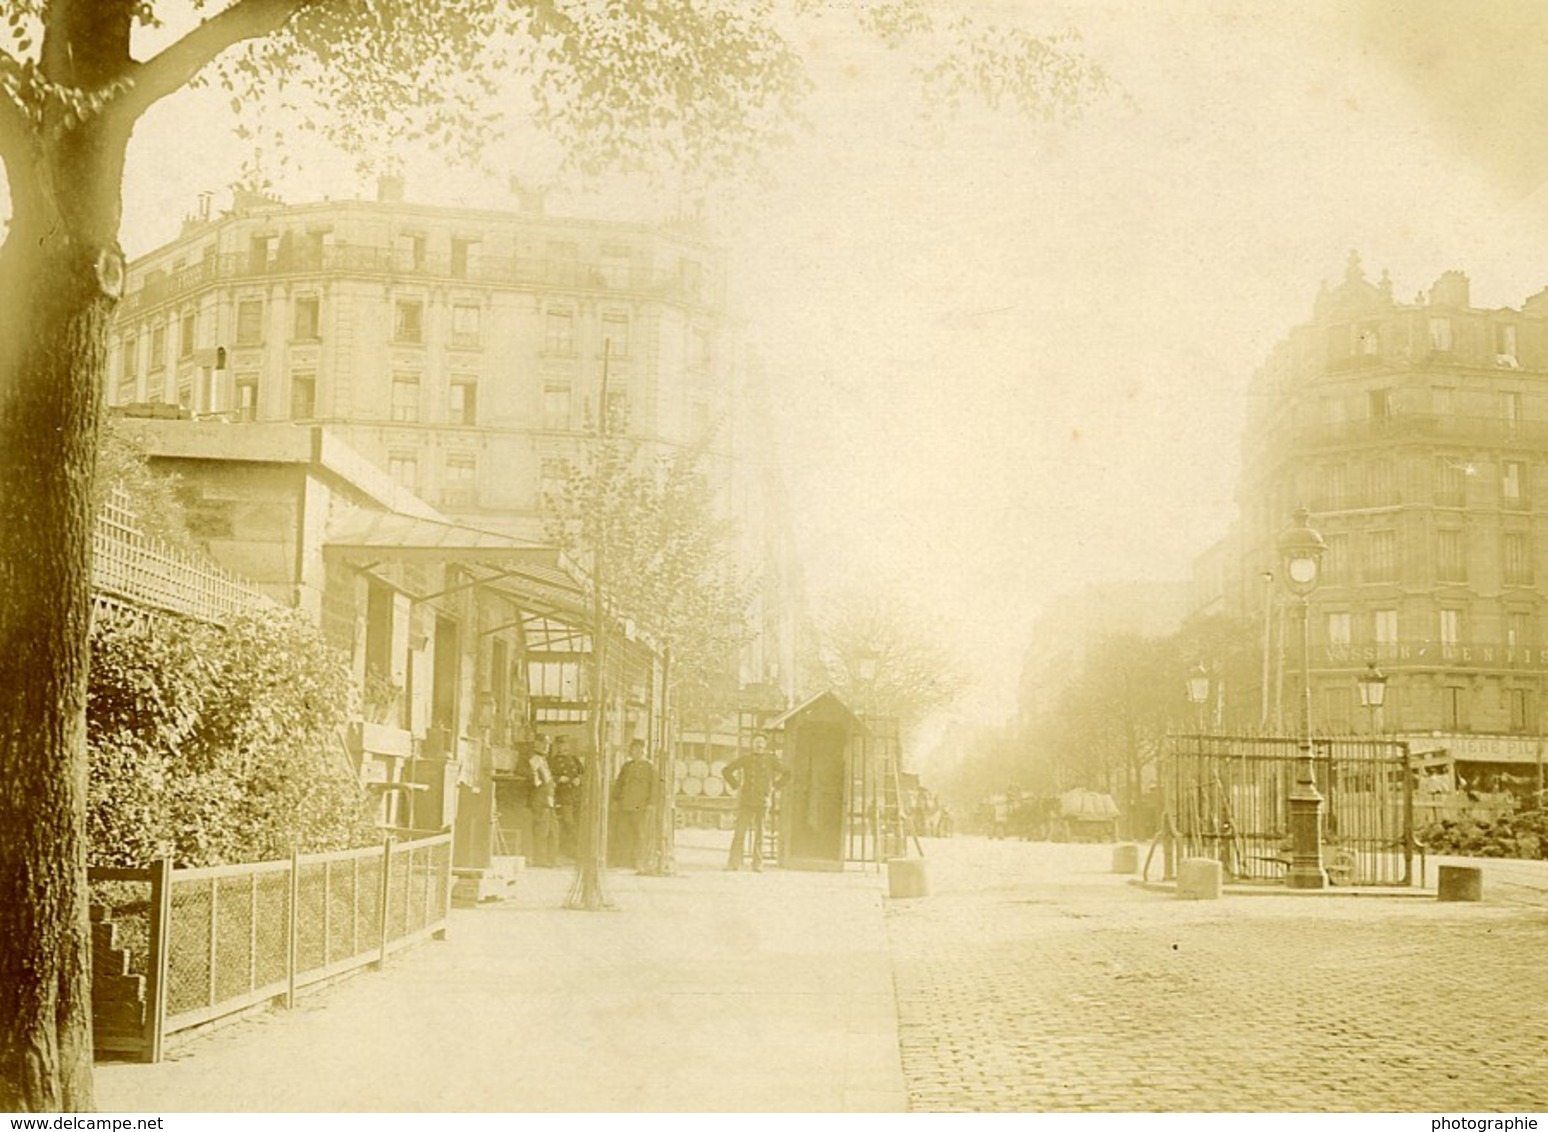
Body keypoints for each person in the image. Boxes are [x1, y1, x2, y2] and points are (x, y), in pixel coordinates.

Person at [722, 733, 786, 871]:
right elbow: (726, 770)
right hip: (746, 801)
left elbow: (787, 773)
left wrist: (775, 786)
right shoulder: (746, 759)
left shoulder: (771, 760)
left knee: (760, 834)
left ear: (765, 745)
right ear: (752, 744)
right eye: (756, 742)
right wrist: (736, 785)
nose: (759, 745)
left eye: (761, 742)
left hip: (763, 802)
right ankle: (734, 863)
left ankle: (757, 864)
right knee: (739, 832)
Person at [611, 739, 659, 872]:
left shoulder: (650, 766)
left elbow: (655, 786)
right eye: (633, 749)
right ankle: (623, 860)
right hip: (625, 804)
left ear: (642, 750)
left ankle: (638, 861)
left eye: (638, 749)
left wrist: (651, 803)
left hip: (640, 806)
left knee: (640, 834)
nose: (635, 752)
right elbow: (619, 783)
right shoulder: (627, 766)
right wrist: (615, 800)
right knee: (623, 832)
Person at [550, 735, 583, 860]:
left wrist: (578, 779)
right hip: (562, 796)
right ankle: (569, 851)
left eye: (564, 744)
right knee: (568, 822)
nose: (561, 747)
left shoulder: (574, 759)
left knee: (576, 823)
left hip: (576, 796)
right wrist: (559, 779)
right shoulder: (552, 761)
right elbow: (548, 777)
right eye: (559, 745)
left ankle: (576, 851)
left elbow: (583, 772)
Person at [528, 736, 557, 867]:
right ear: (536, 744)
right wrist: (537, 781)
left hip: (548, 800)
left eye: (548, 744)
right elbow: (535, 780)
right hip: (541, 800)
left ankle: (551, 859)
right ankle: (541, 860)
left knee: (553, 831)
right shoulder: (535, 759)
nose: (547, 746)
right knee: (542, 832)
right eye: (544, 743)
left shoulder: (543, 760)